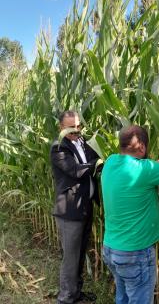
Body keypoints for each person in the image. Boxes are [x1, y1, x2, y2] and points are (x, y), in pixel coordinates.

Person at [101, 125, 159, 304]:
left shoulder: (110, 162)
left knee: (123, 298)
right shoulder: (145, 169)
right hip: (135, 254)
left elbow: (147, 165)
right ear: (141, 147)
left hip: (112, 249)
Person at [50, 111, 100, 304]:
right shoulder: (58, 148)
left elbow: (98, 160)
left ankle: (76, 293)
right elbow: (75, 170)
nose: (76, 130)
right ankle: (65, 298)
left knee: (79, 255)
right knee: (70, 258)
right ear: (61, 128)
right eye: (71, 127)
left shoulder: (84, 143)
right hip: (69, 211)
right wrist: (97, 163)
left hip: (85, 208)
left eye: (79, 126)